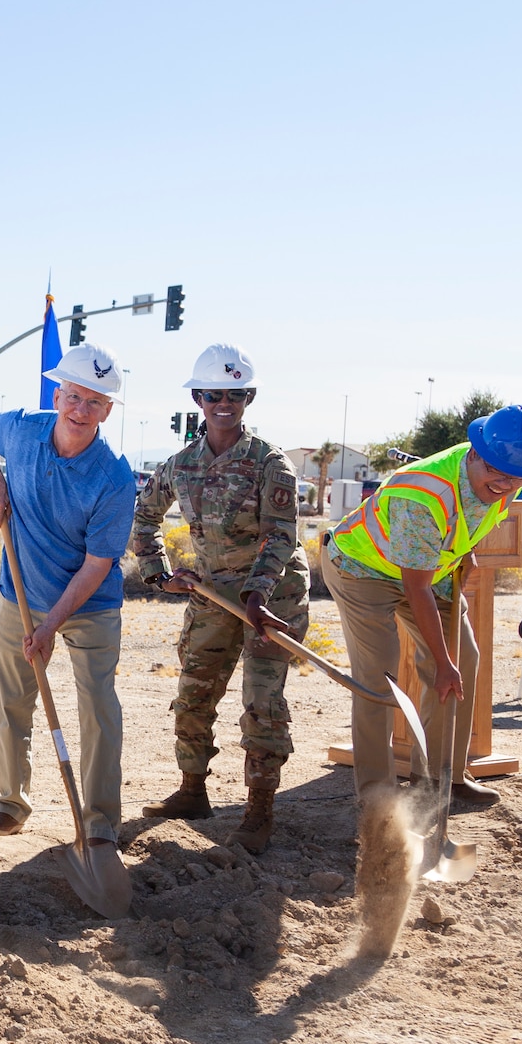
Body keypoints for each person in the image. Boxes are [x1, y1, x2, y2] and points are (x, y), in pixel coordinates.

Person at [322, 405, 522, 805]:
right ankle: (378, 796)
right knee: (379, 678)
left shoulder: (511, 471)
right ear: (476, 454)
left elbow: (473, 516)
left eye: (516, 478)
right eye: (497, 473)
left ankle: (442, 780)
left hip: (427, 571)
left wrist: (465, 549)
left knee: (465, 661)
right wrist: (441, 662)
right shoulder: (422, 495)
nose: (505, 484)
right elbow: (417, 588)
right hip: (362, 568)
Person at [130, 345, 311, 853]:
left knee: (262, 701)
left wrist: (258, 593)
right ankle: (192, 791)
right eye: (213, 394)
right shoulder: (180, 465)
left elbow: (281, 535)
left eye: (234, 394)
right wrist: (157, 574)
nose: (223, 403)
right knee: (194, 692)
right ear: (198, 398)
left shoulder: (270, 464)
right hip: (211, 591)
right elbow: (144, 515)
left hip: (272, 596)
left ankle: (259, 809)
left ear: (248, 397)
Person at [0, 343, 136, 846]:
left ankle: (100, 822)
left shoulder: (114, 478)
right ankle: (10, 804)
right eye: (74, 396)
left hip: (89, 604)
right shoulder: (22, 429)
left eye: (95, 403)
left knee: (98, 706)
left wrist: (50, 626)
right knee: (12, 699)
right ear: (58, 393)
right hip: (19, 592)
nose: (81, 410)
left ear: (108, 411)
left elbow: (96, 566)